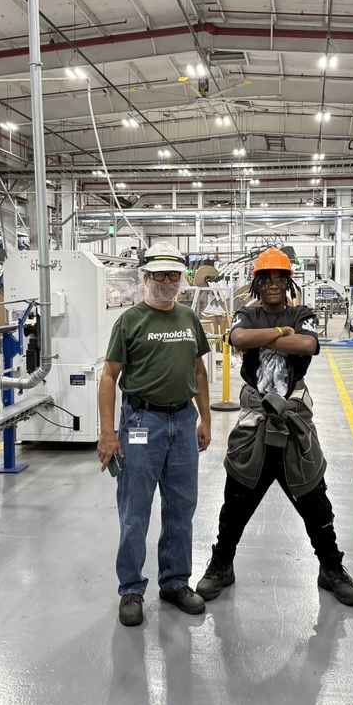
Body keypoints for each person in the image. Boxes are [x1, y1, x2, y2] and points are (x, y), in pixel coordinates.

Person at [195, 248, 353, 607]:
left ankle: (331, 568)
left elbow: (308, 344)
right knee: (236, 500)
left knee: (315, 500)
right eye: (266, 278)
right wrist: (282, 333)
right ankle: (222, 564)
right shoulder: (246, 313)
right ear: (257, 282)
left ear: (289, 282)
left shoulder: (301, 313)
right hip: (254, 422)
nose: (273, 284)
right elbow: (237, 340)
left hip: (294, 421)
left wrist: (268, 334)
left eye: (280, 278)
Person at [97, 241, 213, 627]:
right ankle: (131, 588)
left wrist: (205, 418)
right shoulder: (130, 320)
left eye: (174, 275)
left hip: (182, 422)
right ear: (145, 278)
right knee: (135, 511)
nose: (167, 281)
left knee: (182, 508)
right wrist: (108, 434)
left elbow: (199, 371)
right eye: (160, 275)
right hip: (141, 422)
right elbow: (110, 377)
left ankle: (175, 582)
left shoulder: (188, 318)